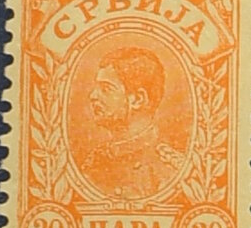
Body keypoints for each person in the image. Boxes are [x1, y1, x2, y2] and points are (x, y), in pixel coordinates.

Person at [62, 20, 195, 207]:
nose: (92, 96)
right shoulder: (93, 165)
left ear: (138, 99)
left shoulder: (170, 171)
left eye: (106, 89)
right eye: (96, 88)